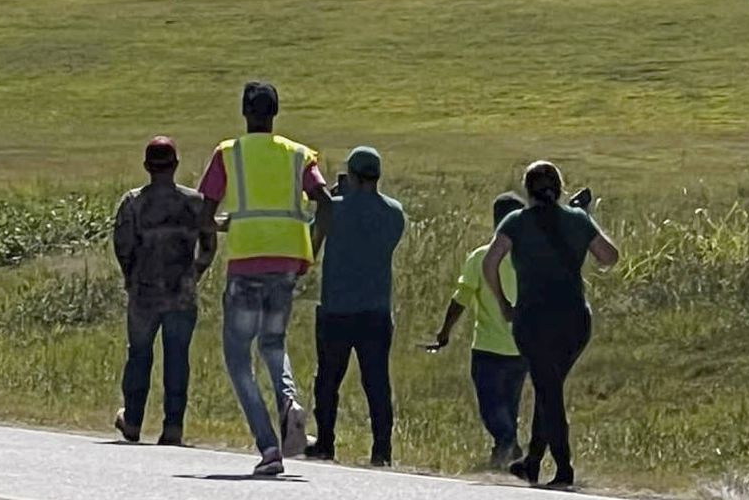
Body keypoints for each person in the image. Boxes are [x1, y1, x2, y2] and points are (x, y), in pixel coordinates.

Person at [199, 81, 332, 478]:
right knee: (274, 343)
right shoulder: (298, 155)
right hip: (288, 261)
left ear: (244, 112)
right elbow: (325, 202)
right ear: (275, 113)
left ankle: (269, 445)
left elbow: (205, 213)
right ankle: (289, 401)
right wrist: (312, 246)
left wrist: (226, 226)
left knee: (239, 359)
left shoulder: (229, 154)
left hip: (246, 263)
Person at [483, 162, 619, 490]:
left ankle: (563, 468)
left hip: (534, 320)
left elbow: (490, 262)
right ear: (559, 188)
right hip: (575, 320)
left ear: (528, 191)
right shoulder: (578, 220)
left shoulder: (515, 222)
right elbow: (609, 256)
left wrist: (503, 303)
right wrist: (585, 218)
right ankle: (532, 462)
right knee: (549, 386)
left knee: (549, 390)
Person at [112, 136, 217, 447]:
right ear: (176, 165)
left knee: (139, 355)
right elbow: (209, 246)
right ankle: (173, 426)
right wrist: (194, 273)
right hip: (181, 294)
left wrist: (130, 276)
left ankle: (132, 420)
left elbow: (122, 246)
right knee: (177, 358)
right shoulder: (195, 203)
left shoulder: (132, 203)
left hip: (143, 293)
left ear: (147, 166)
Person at [307, 147, 405, 466]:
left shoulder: (333, 210)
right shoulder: (394, 212)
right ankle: (382, 450)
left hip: (337, 306)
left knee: (328, 380)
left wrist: (335, 201)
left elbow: (312, 246)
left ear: (351, 174)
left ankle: (325, 443)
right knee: (377, 382)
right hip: (375, 308)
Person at [426, 192, 527, 467]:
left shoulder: (482, 257)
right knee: (510, 404)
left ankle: (507, 443)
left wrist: (445, 331)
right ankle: (505, 451)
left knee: (491, 406)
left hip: (488, 347)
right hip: (522, 348)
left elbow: (461, 299)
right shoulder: (530, 259)